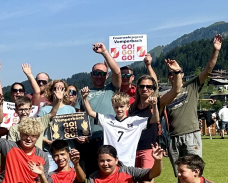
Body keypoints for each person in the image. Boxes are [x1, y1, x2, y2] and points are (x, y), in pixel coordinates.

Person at [129, 60, 183, 183]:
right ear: (137, 88)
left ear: (153, 89)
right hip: (132, 150)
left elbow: (176, 90)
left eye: (149, 87)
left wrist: (176, 72)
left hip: (148, 150)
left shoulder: (157, 103)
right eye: (142, 86)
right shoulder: (132, 108)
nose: (145, 89)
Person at [165, 34, 222, 175]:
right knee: (180, 175)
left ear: (182, 74)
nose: (173, 75)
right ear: (168, 77)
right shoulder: (165, 95)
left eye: (176, 73)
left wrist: (216, 50)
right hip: (173, 138)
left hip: (191, 135)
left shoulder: (192, 86)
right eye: (170, 74)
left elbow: (208, 69)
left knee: (195, 173)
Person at [75, 42, 122, 175]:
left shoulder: (111, 88)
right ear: (91, 74)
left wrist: (104, 52)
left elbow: (117, 72)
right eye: (96, 73)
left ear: (107, 76)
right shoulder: (83, 92)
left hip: (108, 138)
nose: (99, 76)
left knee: (112, 174)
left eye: (102, 73)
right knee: (92, 175)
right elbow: (79, 116)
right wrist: (79, 134)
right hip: (90, 141)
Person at [81, 89, 159, 167]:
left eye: (122, 106)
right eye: (116, 107)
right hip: (110, 163)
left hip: (127, 163)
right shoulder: (107, 119)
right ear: (113, 106)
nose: (119, 109)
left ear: (128, 106)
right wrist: (85, 98)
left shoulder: (135, 121)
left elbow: (155, 119)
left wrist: (154, 106)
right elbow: (90, 112)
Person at [38, 79, 76, 170]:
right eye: (56, 88)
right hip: (50, 152)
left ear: (65, 91)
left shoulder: (71, 109)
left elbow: (75, 132)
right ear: (51, 91)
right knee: (50, 179)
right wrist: (47, 142)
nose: (59, 91)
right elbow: (38, 132)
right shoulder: (44, 110)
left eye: (61, 88)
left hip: (68, 151)